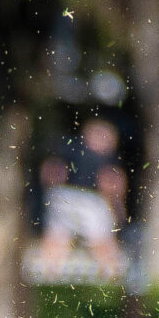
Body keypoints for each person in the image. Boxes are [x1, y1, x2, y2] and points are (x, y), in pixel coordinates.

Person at [34, 115, 126, 278]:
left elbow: (50, 171)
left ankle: (47, 276)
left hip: (62, 195)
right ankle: (113, 276)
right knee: (102, 241)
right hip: (91, 199)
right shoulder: (106, 159)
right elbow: (110, 182)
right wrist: (117, 206)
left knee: (57, 237)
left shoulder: (68, 148)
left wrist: (49, 193)